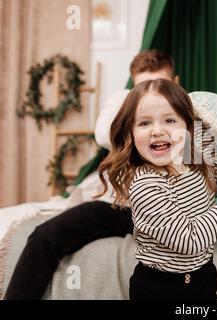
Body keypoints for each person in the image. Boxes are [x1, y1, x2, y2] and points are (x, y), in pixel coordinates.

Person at [3, 50, 187, 300]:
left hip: (167, 211)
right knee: (44, 235)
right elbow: (103, 133)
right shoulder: (123, 102)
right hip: (120, 206)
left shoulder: (192, 111)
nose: (152, 94)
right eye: (142, 88)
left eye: (161, 86)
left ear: (175, 81)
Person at [97, 78, 217, 300]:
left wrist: (206, 118)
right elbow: (190, 241)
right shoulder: (145, 186)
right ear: (130, 132)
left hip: (204, 277)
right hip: (161, 288)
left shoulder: (196, 165)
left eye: (169, 120)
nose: (157, 131)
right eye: (145, 123)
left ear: (187, 127)